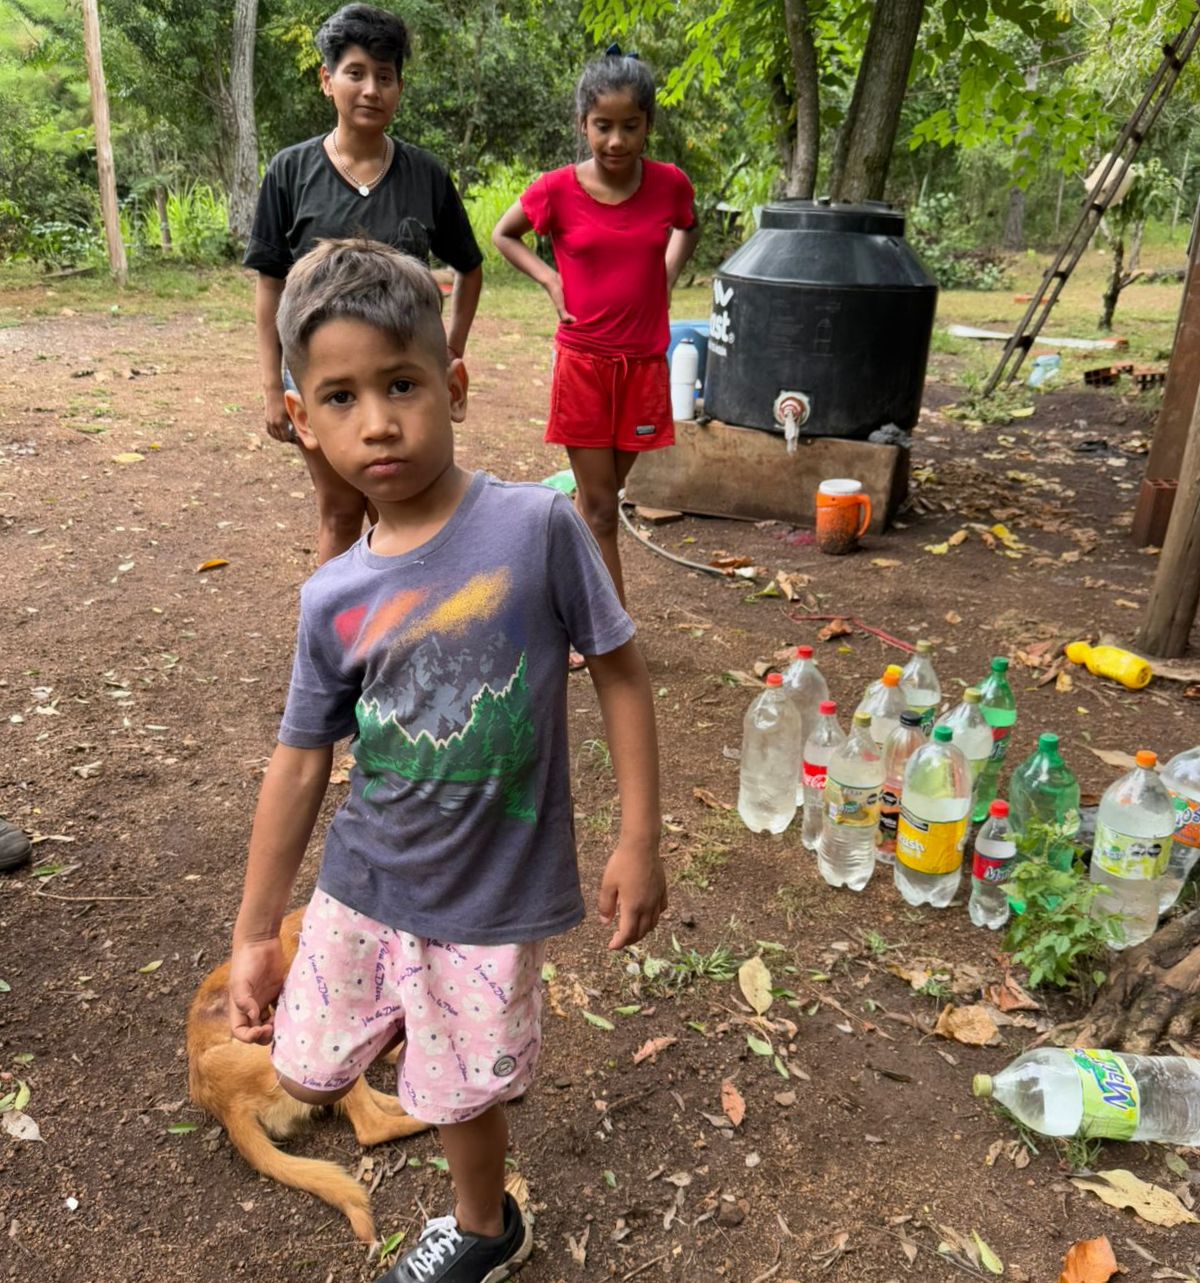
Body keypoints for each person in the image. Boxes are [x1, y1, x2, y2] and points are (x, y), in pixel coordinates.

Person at [227, 239, 667, 1283]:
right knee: (302, 1058)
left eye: (402, 384)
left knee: (464, 1091)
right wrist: (253, 929)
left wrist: (639, 836)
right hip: (366, 875)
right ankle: (419, 1032)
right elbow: (299, 761)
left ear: (454, 386)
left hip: (488, 895)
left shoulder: (536, 527)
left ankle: (483, 1226)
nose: (377, 420)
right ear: (302, 419)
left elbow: (620, 672)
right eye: (339, 396)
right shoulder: (330, 595)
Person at [244, 3, 484, 565]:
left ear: (400, 85)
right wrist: (271, 386)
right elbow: (270, 284)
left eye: (385, 75)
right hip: (325, 381)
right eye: (355, 72)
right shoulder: (290, 171)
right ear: (328, 80)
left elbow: (469, 266)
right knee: (340, 511)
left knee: (407, 509)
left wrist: (451, 348)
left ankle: (407, 634)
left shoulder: (425, 174)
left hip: (404, 379)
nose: (371, 89)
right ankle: (337, 645)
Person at [492, 48, 699, 641]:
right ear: (583, 123)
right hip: (583, 362)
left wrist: (665, 275)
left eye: (629, 126)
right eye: (602, 126)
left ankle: (561, 603)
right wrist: (549, 277)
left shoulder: (668, 185)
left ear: (647, 125)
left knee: (599, 501)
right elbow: (504, 235)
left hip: (643, 366)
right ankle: (609, 633)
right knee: (603, 510)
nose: (615, 140)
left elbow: (688, 226)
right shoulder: (556, 191)